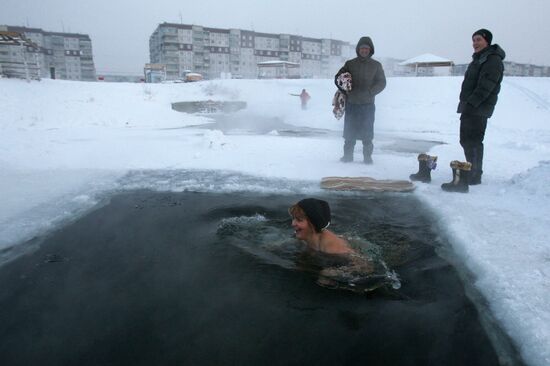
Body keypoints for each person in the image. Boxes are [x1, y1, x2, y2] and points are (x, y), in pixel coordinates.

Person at [457, 28, 505, 185]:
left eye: (478, 40)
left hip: (478, 108)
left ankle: (474, 175)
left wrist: (471, 103)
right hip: (470, 107)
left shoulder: (492, 60)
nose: (475, 43)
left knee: (474, 141)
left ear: (487, 41)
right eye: (473, 40)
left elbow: (487, 85)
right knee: (465, 140)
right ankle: (471, 169)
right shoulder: (478, 59)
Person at [335, 37, 386, 164]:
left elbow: (382, 82)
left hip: (367, 105)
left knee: (367, 134)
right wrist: (343, 85)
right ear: (358, 49)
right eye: (362, 48)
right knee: (349, 133)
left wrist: (371, 92)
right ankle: (348, 156)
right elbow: (338, 77)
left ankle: (367, 158)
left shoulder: (376, 65)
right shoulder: (350, 64)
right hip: (352, 104)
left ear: (370, 50)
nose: (364, 50)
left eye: (366, 48)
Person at [288, 198, 354, 254]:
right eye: (293, 218)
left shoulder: (333, 248)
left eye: (299, 220)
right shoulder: (303, 234)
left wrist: (335, 270)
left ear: (313, 223)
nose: (293, 224)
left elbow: (360, 264)